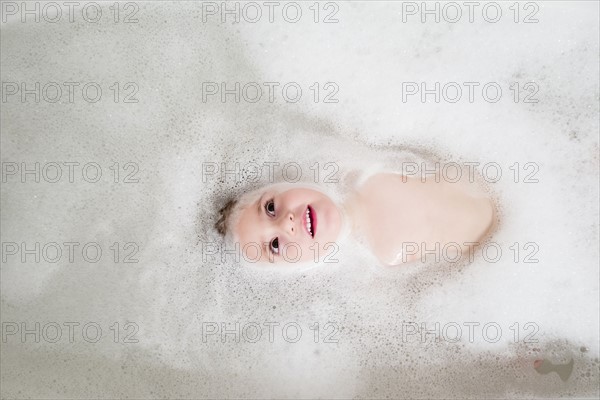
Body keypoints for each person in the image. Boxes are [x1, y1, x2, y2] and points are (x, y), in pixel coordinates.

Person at [214, 155, 498, 267]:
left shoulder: (367, 163)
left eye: (271, 207)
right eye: (275, 245)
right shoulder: (383, 264)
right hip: (497, 251)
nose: (286, 223)